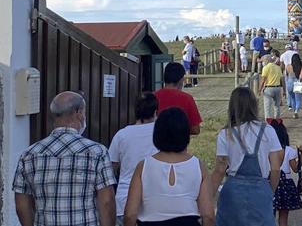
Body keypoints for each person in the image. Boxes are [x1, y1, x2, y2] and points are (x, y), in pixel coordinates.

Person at [13, 91, 116, 226]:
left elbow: (21, 204)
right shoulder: (97, 152)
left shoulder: (29, 155)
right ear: (79, 113)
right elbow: (107, 202)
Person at [124, 107, 215, 226]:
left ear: (158, 133)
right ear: (185, 133)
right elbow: (208, 215)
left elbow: (130, 214)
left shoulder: (143, 166)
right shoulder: (198, 166)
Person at [212, 87, 284, 226]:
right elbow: (275, 168)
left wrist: (208, 196)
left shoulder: (226, 134)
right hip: (260, 190)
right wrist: (270, 191)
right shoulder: (268, 130)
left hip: (233, 193)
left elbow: (220, 170)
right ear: (254, 105)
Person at [109, 93, 159, 225]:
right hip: (154, 203)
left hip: (124, 202)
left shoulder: (122, 135)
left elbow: (110, 169)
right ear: (155, 112)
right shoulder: (161, 133)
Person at [269, 119, 302, 226]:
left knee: (269, 215)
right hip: (286, 185)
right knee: (284, 217)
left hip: (270, 183)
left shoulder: (266, 150)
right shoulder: (289, 150)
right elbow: (296, 169)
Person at [155, 62, 203, 135]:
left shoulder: (154, 97)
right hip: (179, 144)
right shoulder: (187, 99)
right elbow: (195, 129)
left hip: (155, 143)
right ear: (181, 79)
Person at [260, 55, 285, 120]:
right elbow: (281, 79)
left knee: (267, 107)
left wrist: (259, 89)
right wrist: (284, 90)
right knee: (277, 106)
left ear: (267, 60)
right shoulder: (278, 67)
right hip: (277, 88)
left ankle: (268, 121)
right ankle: (277, 120)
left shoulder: (265, 68)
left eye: (264, 61)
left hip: (268, 88)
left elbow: (263, 80)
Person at [285, 54, 302, 119]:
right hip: (297, 82)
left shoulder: (288, 66)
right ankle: (296, 111)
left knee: (292, 98)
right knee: (298, 99)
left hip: (290, 82)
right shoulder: (301, 66)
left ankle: (294, 110)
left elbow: (286, 75)